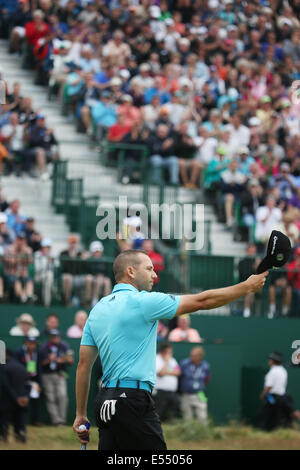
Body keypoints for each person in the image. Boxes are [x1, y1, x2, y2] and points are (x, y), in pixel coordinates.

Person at [73, 249, 267, 450]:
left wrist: (80, 414)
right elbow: (203, 301)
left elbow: (83, 366)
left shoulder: (97, 310)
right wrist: (246, 287)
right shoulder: (143, 301)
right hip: (133, 400)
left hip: (104, 401)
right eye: (149, 269)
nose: (154, 275)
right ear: (130, 271)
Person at [254, 352, 297, 431]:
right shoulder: (283, 371)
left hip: (272, 397)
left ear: (273, 361)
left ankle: (262, 430)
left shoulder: (273, 372)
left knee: (262, 415)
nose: (269, 361)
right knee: (280, 415)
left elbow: (269, 387)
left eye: (270, 360)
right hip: (282, 397)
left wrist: (263, 395)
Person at [40, 329, 74, 426]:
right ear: (50, 338)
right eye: (53, 337)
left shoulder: (64, 346)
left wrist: (63, 360)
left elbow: (71, 360)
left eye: (57, 336)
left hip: (60, 374)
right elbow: (40, 364)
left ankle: (62, 420)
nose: (55, 338)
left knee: (62, 396)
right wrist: (49, 360)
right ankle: (56, 421)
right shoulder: (43, 347)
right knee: (50, 398)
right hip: (47, 375)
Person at [0, 349, 30, 443]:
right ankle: (21, 439)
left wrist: (16, 398)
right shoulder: (22, 367)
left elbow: (6, 385)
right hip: (22, 401)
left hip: (8, 401)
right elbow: (28, 385)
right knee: (20, 423)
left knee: (4, 422)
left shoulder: (4, 368)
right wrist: (25, 397)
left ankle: (3, 438)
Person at [14, 336, 43, 426]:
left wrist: (40, 384)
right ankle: (19, 421)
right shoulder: (19, 352)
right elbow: (16, 368)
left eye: (34, 344)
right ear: (25, 343)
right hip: (21, 380)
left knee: (35, 400)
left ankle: (35, 420)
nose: (32, 346)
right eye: (30, 343)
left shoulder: (37, 352)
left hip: (33, 380)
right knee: (21, 400)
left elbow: (39, 368)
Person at [179, 347, 211, 423]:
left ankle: (203, 432)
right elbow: (179, 377)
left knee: (202, 416)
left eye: (194, 355)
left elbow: (207, 379)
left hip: (199, 394)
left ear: (200, 356)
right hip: (186, 394)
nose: (192, 357)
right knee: (187, 416)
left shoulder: (205, 366)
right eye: (191, 355)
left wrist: (200, 386)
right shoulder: (184, 364)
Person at [153, 343, 181, 422]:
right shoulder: (156, 359)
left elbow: (178, 372)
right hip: (160, 393)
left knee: (171, 414)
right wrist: (166, 362)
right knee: (158, 414)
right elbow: (161, 373)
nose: (170, 354)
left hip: (172, 392)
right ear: (163, 352)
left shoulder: (173, 360)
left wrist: (167, 372)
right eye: (169, 352)